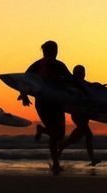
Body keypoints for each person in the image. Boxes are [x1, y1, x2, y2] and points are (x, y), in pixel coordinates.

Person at [18, 40, 72, 174]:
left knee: (59, 134)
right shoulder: (42, 65)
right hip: (45, 102)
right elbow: (25, 78)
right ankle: (55, 164)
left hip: (54, 102)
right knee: (56, 134)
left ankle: (43, 131)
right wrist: (24, 94)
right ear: (53, 51)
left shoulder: (56, 65)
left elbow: (70, 80)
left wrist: (24, 94)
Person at [61, 65, 100, 166]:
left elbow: (91, 85)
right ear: (76, 73)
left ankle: (60, 149)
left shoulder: (83, 83)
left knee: (82, 136)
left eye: (83, 71)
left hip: (83, 113)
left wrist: (98, 86)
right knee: (85, 135)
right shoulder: (72, 83)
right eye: (81, 72)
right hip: (78, 113)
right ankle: (60, 148)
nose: (83, 74)